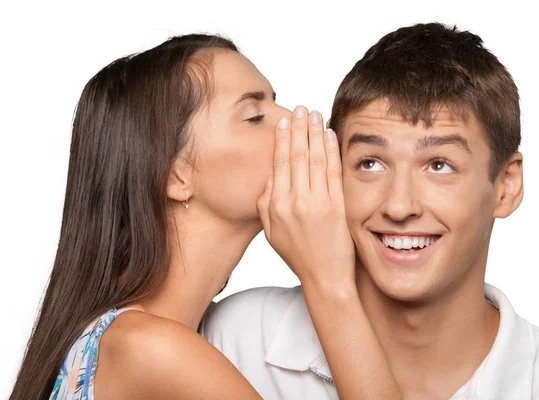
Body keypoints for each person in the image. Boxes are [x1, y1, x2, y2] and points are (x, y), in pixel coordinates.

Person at [202, 23, 539, 399]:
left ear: (506, 186)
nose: (399, 206)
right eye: (370, 163)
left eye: (439, 165)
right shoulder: (235, 340)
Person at [10, 34, 402, 400]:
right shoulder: (152, 349)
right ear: (176, 174)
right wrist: (329, 280)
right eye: (254, 116)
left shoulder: (161, 336)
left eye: (275, 102)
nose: (292, 120)